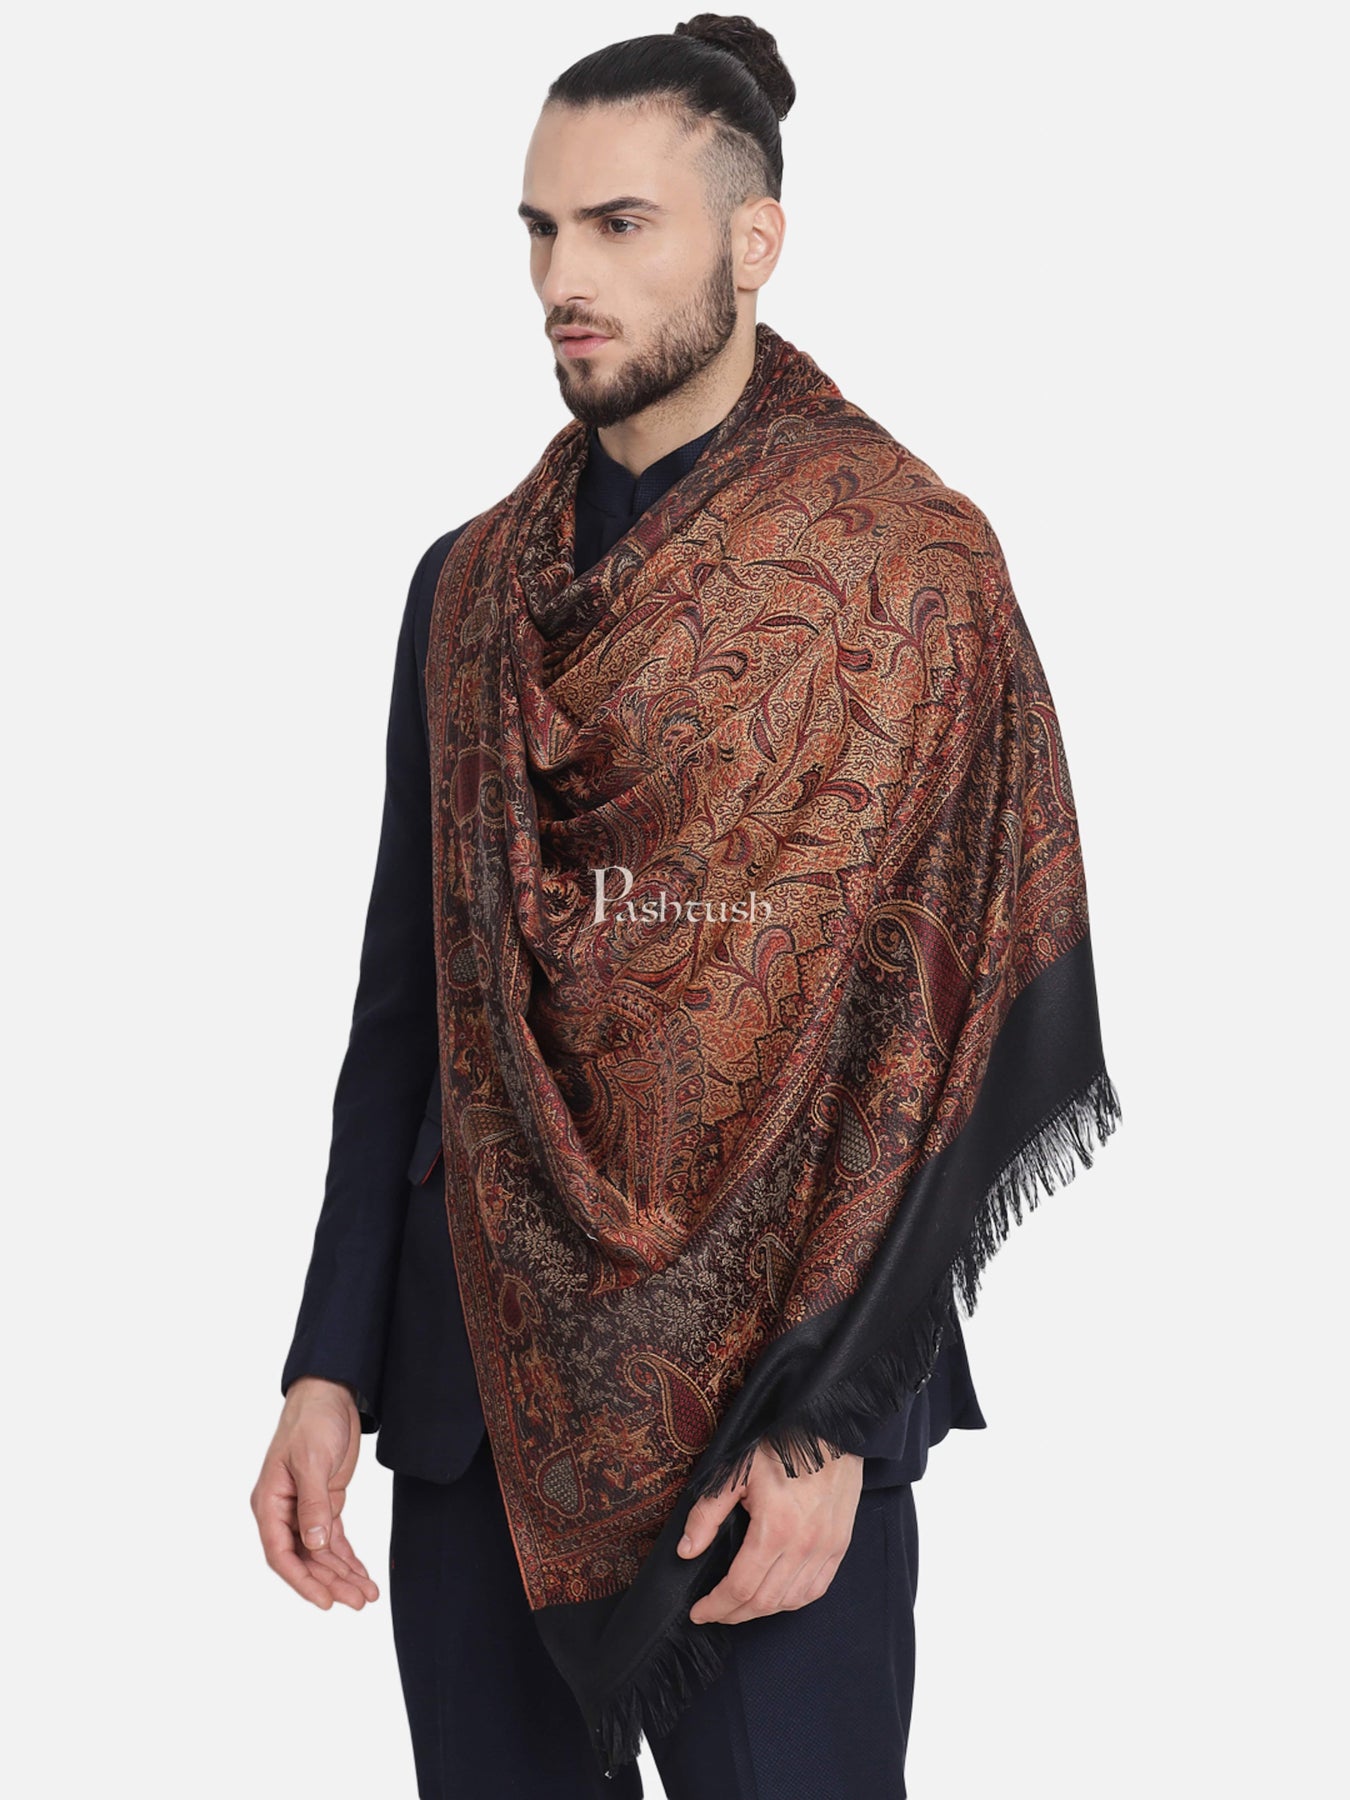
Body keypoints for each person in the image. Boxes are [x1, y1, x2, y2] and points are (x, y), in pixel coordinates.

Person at [251, 16, 1120, 1799]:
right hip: (474, 1401)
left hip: (771, 1427)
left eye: (618, 225)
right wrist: (329, 1367)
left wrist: (835, 1422)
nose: (561, 279)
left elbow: (939, 1040)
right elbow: (406, 1012)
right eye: (538, 228)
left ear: (753, 239)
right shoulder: (465, 590)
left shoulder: (904, 573)